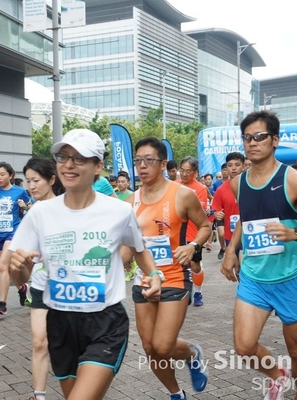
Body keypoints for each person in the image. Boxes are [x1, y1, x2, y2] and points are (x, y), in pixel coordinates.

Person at [9, 128, 162, 400]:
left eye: (79, 158)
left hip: (105, 323)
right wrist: (18, 266)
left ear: (98, 166)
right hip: (60, 323)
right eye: (63, 157)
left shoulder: (119, 211)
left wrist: (156, 275)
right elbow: (19, 278)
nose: (68, 165)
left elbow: (139, 250)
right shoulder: (40, 213)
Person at [221, 111, 297, 400]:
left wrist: (296, 233)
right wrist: (231, 250)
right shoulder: (238, 183)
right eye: (247, 137)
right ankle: (277, 375)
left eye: (260, 136)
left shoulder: (295, 180)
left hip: (292, 276)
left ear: (275, 140)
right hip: (254, 277)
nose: (252, 143)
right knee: (244, 346)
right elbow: (247, 218)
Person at [128, 137, 211, 399]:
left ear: (163, 163)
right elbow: (127, 245)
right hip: (144, 279)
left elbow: (206, 226)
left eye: (148, 160)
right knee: (149, 347)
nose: (142, 166)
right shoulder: (130, 201)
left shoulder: (182, 194)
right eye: (138, 160)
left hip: (175, 276)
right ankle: (176, 393)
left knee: (163, 346)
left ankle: (192, 354)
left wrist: (193, 246)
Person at [8, 157, 64, 400]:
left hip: (68, 289)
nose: (31, 186)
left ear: (52, 179)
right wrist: (18, 264)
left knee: (69, 345)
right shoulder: (34, 213)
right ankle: (38, 395)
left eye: (36, 180)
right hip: (41, 286)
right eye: (28, 181)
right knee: (39, 342)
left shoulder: (68, 207)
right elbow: (19, 267)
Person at [0, 162, 32, 314]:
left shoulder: (20, 191)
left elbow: (32, 208)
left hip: (13, 232)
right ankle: (22, 289)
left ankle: (2, 304)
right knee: (9, 269)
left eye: (2, 174)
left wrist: (24, 206)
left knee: (2, 266)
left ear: (11, 176)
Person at [178, 156, 209, 307]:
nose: (184, 174)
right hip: (178, 233)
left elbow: (199, 212)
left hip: (194, 234)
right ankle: (183, 291)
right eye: (182, 170)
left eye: (188, 171)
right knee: (179, 264)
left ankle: (198, 292)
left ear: (195, 172)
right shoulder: (174, 186)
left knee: (194, 265)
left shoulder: (201, 189)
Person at [212, 152, 245, 260]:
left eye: (237, 165)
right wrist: (217, 214)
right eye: (230, 165)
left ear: (243, 166)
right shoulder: (220, 190)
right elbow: (216, 210)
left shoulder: (252, 185)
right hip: (231, 235)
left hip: (250, 234)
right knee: (236, 266)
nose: (233, 168)